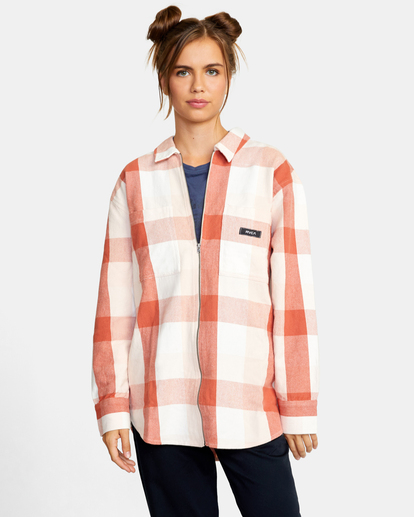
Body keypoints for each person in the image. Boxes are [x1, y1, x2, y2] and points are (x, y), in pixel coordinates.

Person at [91, 6, 319, 517]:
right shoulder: (135, 181)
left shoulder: (270, 172)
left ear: (228, 77)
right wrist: (112, 407)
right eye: (183, 71)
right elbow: (115, 307)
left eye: (212, 70)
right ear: (164, 80)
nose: (199, 85)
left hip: (249, 404)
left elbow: (293, 298)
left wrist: (299, 403)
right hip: (162, 409)